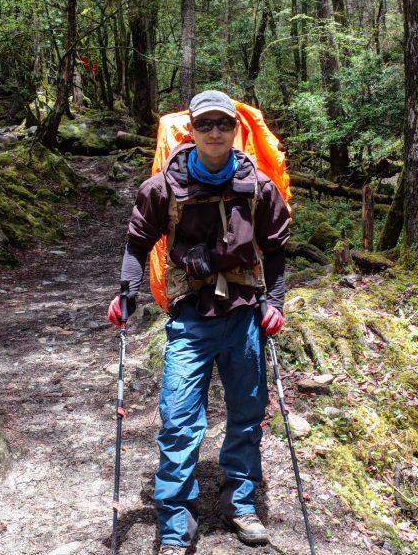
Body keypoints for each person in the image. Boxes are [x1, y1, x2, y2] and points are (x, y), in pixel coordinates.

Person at [108, 90, 291, 554]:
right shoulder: (162, 187)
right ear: (191, 128)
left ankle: (242, 504)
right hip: (191, 317)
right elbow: (137, 243)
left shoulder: (258, 186)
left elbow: (275, 247)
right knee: (178, 421)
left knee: (248, 416)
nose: (214, 132)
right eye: (205, 124)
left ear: (235, 130)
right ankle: (174, 530)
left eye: (222, 125)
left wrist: (274, 301)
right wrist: (126, 295)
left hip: (245, 315)